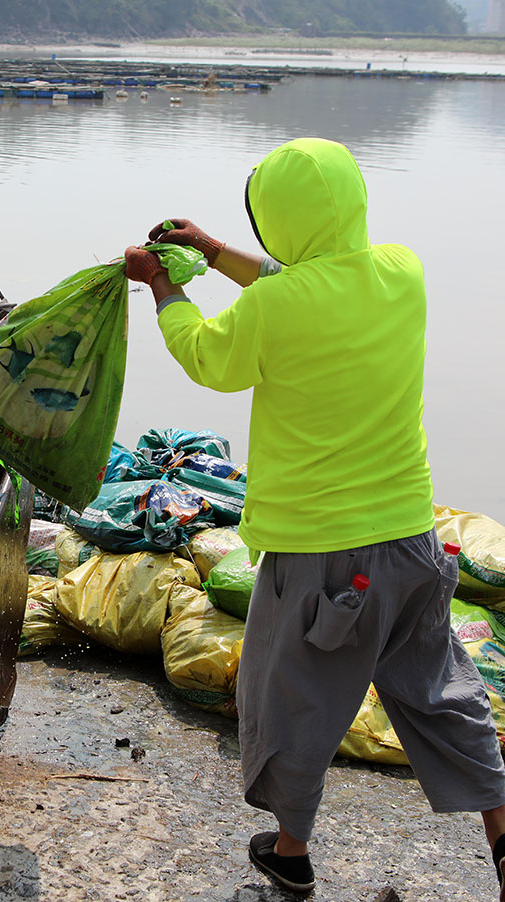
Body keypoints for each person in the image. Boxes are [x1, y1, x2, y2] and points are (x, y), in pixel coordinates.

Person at [123, 136, 505, 898]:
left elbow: (208, 356)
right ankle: (504, 836)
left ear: (277, 218)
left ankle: (291, 852)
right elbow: (310, 282)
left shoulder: (272, 308)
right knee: (440, 691)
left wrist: (165, 286)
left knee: (293, 701)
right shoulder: (403, 271)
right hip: (413, 543)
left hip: (322, 558)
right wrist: (214, 253)